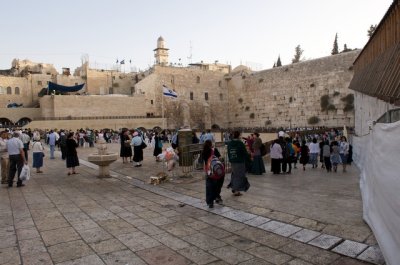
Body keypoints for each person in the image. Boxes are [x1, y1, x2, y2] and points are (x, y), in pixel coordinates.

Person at [227, 131, 250, 196]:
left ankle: (234, 187)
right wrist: (249, 159)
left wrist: (231, 159)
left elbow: (228, 152)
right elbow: (245, 153)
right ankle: (236, 190)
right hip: (240, 162)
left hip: (233, 161)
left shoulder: (230, 143)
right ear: (239, 135)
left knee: (234, 174)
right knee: (239, 176)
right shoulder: (240, 143)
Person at [202, 140, 223, 208]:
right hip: (215, 171)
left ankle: (210, 202)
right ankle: (217, 197)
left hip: (208, 171)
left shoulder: (204, 151)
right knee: (216, 185)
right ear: (211, 144)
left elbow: (201, 161)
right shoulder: (214, 150)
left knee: (209, 186)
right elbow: (220, 158)